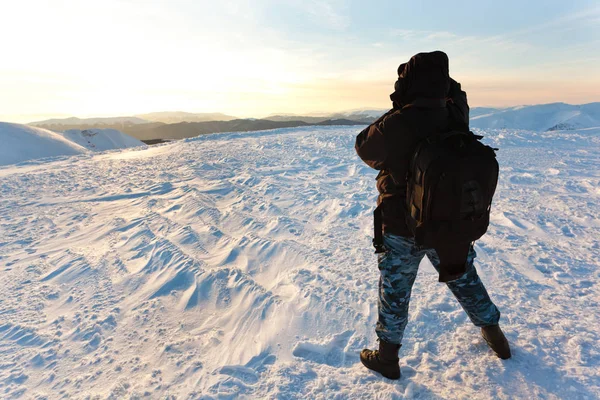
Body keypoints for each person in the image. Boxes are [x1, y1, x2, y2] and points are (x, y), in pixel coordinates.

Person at [355, 51, 511, 380]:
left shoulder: (398, 122)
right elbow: (458, 96)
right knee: (464, 276)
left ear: (408, 83)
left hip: (401, 224)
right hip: (446, 222)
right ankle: (496, 337)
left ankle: (387, 358)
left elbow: (364, 147)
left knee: (395, 291)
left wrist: (400, 104)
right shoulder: (455, 112)